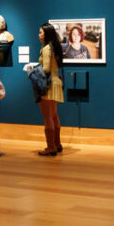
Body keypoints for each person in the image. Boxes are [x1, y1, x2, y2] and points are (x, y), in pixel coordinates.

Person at [36, 23, 64, 155]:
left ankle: (51, 147)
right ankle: (57, 144)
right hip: (56, 82)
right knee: (54, 115)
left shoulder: (47, 48)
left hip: (47, 84)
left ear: (47, 33)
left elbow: (46, 68)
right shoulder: (55, 46)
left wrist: (32, 68)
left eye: (41, 32)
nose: (39, 34)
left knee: (47, 117)